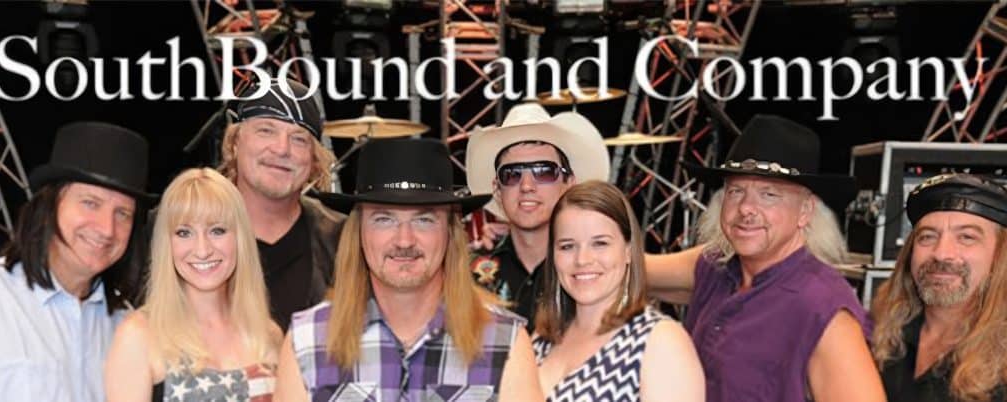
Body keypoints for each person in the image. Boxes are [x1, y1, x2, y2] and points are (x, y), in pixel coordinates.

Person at [274, 138, 543, 401]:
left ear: (450, 233)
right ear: (358, 233)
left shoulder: (504, 341)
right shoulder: (307, 341)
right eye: (384, 219)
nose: (404, 241)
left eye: (424, 220)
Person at [645, 115, 885, 402]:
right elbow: (628, 270)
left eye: (768, 194)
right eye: (736, 191)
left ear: (805, 211)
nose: (746, 208)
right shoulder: (716, 266)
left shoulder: (822, 307)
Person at [0, 122, 153, 402]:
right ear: (50, 205)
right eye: (90, 203)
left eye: (123, 214)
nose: (107, 229)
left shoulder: (127, 327)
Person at [105, 168, 282, 401]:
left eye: (217, 230)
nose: (202, 249)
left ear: (241, 238)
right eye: (184, 233)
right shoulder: (138, 336)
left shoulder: (268, 334)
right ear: (166, 243)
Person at [532, 180, 704, 402]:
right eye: (567, 246)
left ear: (629, 251)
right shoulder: (542, 337)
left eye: (600, 243)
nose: (582, 259)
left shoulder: (660, 341)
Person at [465, 103, 610, 328]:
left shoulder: (595, 268)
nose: (526, 186)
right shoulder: (467, 274)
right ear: (497, 190)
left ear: (569, 184)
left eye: (544, 172)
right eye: (512, 174)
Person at [217, 79, 344, 329]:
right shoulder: (179, 227)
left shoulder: (342, 238)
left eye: (299, 139)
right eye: (266, 130)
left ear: (314, 158)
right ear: (235, 142)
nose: (282, 149)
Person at [871, 173, 1007, 402]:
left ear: (1000, 255)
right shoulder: (879, 333)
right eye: (927, 237)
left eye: (966, 237)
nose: (942, 254)